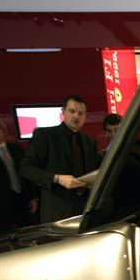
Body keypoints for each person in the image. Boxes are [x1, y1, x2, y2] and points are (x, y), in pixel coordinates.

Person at [20, 95, 99, 223]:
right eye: (72, 111)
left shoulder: (90, 142)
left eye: (80, 113)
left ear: (85, 116)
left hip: (85, 209)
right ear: (63, 112)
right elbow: (26, 168)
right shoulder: (45, 135)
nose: (76, 116)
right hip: (57, 210)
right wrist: (56, 178)